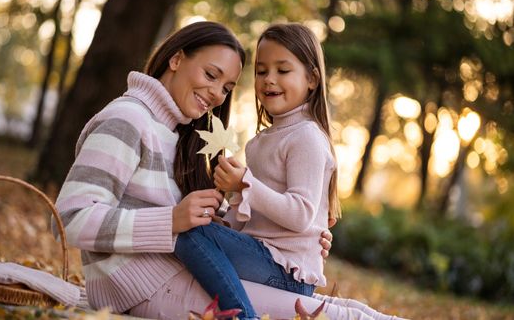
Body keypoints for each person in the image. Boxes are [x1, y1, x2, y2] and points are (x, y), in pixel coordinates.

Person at [52, 21, 336, 320]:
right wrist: (172, 220)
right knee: (332, 315)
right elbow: (70, 220)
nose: (216, 94)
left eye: (227, 88)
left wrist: (299, 244)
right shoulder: (127, 120)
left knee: (338, 312)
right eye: (211, 75)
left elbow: (195, 221)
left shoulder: (178, 135)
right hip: (144, 286)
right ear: (176, 59)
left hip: (177, 274)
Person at [174, 23, 406, 320]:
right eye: (261, 71)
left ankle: (244, 316)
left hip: (285, 268)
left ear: (311, 79)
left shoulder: (306, 136)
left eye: (283, 71)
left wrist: (245, 185)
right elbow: (252, 215)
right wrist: (225, 223)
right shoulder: (259, 142)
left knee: (190, 234)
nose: (269, 80)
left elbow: (299, 214)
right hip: (261, 255)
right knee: (198, 229)